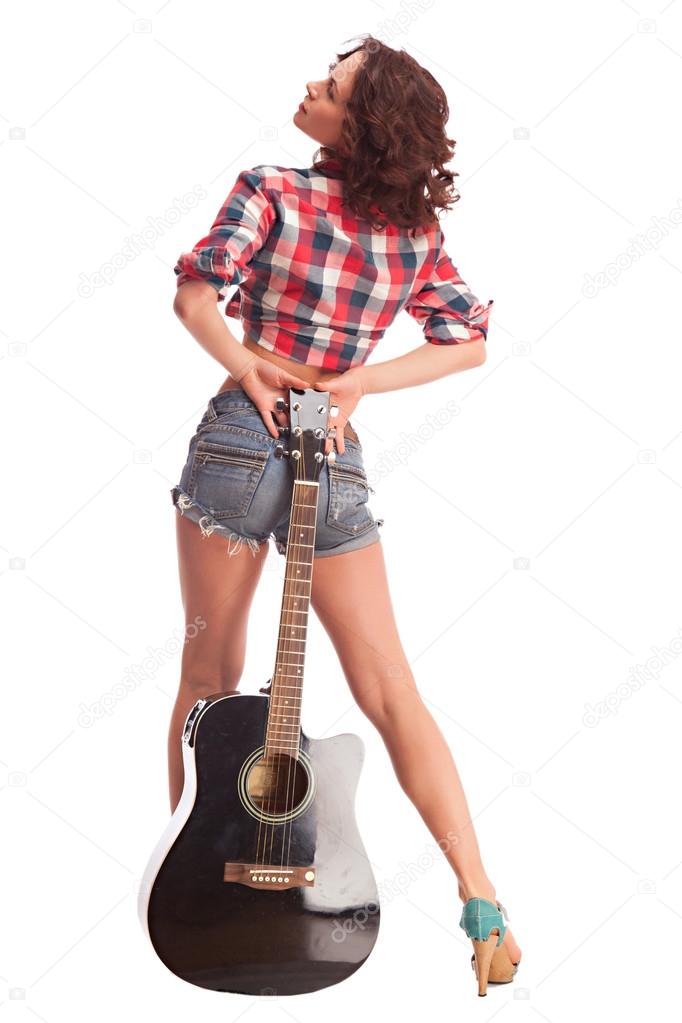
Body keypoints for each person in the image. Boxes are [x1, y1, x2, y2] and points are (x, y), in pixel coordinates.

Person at [167, 33, 520, 995]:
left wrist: (249, 366)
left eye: (329, 87)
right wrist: (357, 380)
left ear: (360, 127)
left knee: (210, 671)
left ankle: (192, 885)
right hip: (337, 454)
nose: (310, 87)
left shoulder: (272, 188)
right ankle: (481, 897)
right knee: (390, 687)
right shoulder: (413, 238)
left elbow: (195, 294)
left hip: (243, 440)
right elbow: (468, 340)